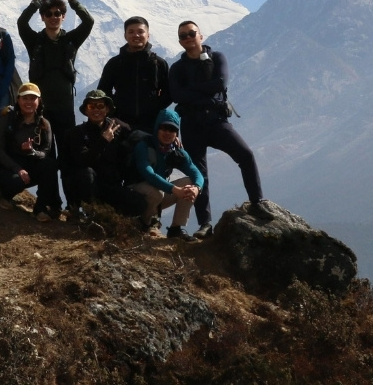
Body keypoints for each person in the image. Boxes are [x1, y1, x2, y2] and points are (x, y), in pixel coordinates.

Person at [168, 20, 273, 238]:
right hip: (192, 125)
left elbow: (220, 84)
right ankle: (205, 225)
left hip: (217, 122)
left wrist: (191, 92)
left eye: (191, 33)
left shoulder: (217, 58)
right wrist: (205, 94)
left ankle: (256, 202)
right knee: (199, 175)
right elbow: (177, 95)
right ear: (180, 41)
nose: (188, 38)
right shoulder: (177, 68)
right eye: (183, 36)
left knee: (245, 155)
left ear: (200, 35)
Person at [17, 0, 94, 206]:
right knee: (46, 158)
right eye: (49, 14)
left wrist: (71, 0)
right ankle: (49, 203)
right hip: (41, 112)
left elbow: (89, 21)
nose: (54, 17)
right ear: (42, 17)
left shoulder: (71, 40)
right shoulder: (35, 41)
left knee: (68, 157)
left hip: (65, 110)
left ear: (63, 16)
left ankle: (73, 205)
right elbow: (21, 22)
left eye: (58, 13)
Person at [64, 89, 147, 222]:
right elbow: (83, 161)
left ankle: (110, 218)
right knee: (86, 174)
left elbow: (139, 137)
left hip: (110, 186)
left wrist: (169, 139)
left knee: (139, 203)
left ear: (107, 109)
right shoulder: (77, 133)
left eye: (100, 106)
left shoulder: (117, 129)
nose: (96, 110)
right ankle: (89, 214)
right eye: (91, 106)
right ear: (86, 110)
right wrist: (103, 141)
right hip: (88, 186)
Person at [130, 108, 205, 240]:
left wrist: (197, 188)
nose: (167, 133)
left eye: (172, 129)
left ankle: (176, 229)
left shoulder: (176, 152)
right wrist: (174, 189)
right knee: (156, 193)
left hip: (159, 195)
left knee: (189, 183)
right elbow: (148, 173)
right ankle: (143, 225)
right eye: (164, 128)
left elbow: (196, 173)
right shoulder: (144, 146)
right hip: (136, 192)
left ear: (176, 133)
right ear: (157, 128)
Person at [0, 83, 61, 221]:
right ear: (18, 100)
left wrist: (32, 151)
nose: (28, 102)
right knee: (16, 182)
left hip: (29, 165)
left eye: (32, 98)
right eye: (25, 98)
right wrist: (17, 169)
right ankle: (5, 196)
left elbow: (45, 151)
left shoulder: (44, 124)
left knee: (51, 165)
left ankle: (40, 209)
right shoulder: (8, 117)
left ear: (39, 101)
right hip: (6, 166)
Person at [98, 16, 171, 132]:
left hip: (151, 123)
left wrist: (154, 108)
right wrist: (114, 112)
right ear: (125, 35)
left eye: (140, 32)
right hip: (119, 124)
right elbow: (103, 91)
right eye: (131, 32)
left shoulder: (159, 63)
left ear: (148, 35)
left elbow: (169, 93)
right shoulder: (115, 63)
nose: (136, 35)